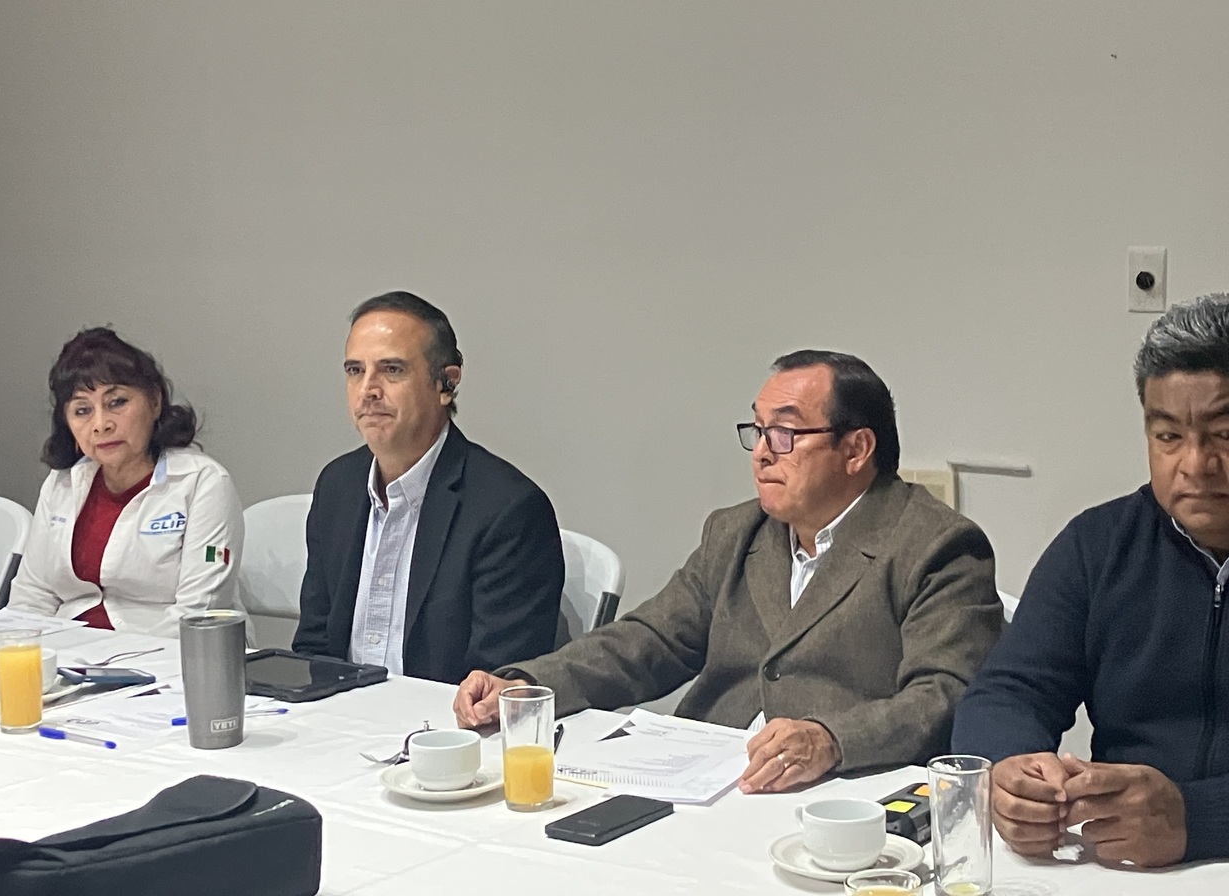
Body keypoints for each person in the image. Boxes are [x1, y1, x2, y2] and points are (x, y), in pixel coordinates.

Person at [455, 350, 1001, 793]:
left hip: (841, 791)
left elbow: (945, 693)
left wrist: (831, 739)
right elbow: (651, 640)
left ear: (856, 448)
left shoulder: (936, 545)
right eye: (757, 431)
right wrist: (528, 683)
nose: (761, 453)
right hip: (709, 775)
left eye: (784, 434)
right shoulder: (737, 531)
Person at [952, 293, 1229, 868]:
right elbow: (1009, 691)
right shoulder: (1098, 545)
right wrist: (1011, 772)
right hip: (1122, 865)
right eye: (1168, 436)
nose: (1196, 465)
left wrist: (1196, 818)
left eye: (1224, 434)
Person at [292, 291, 564, 684]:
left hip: (446, 720)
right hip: (337, 713)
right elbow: (314, 648)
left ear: (446, 384)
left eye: (392, 370)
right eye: (355, 370)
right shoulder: (337, 487)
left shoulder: (508, 509)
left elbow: (497, 682)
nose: (368, 390)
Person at [7, 327, 243, 637]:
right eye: (82, 410)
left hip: (172, 655)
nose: (101, 424)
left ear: (154, 402)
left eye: (117, 402)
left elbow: (199, 613)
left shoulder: (202, 482)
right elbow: (32, 596)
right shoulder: (62, 483)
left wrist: (109, 654)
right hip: (68, 652)